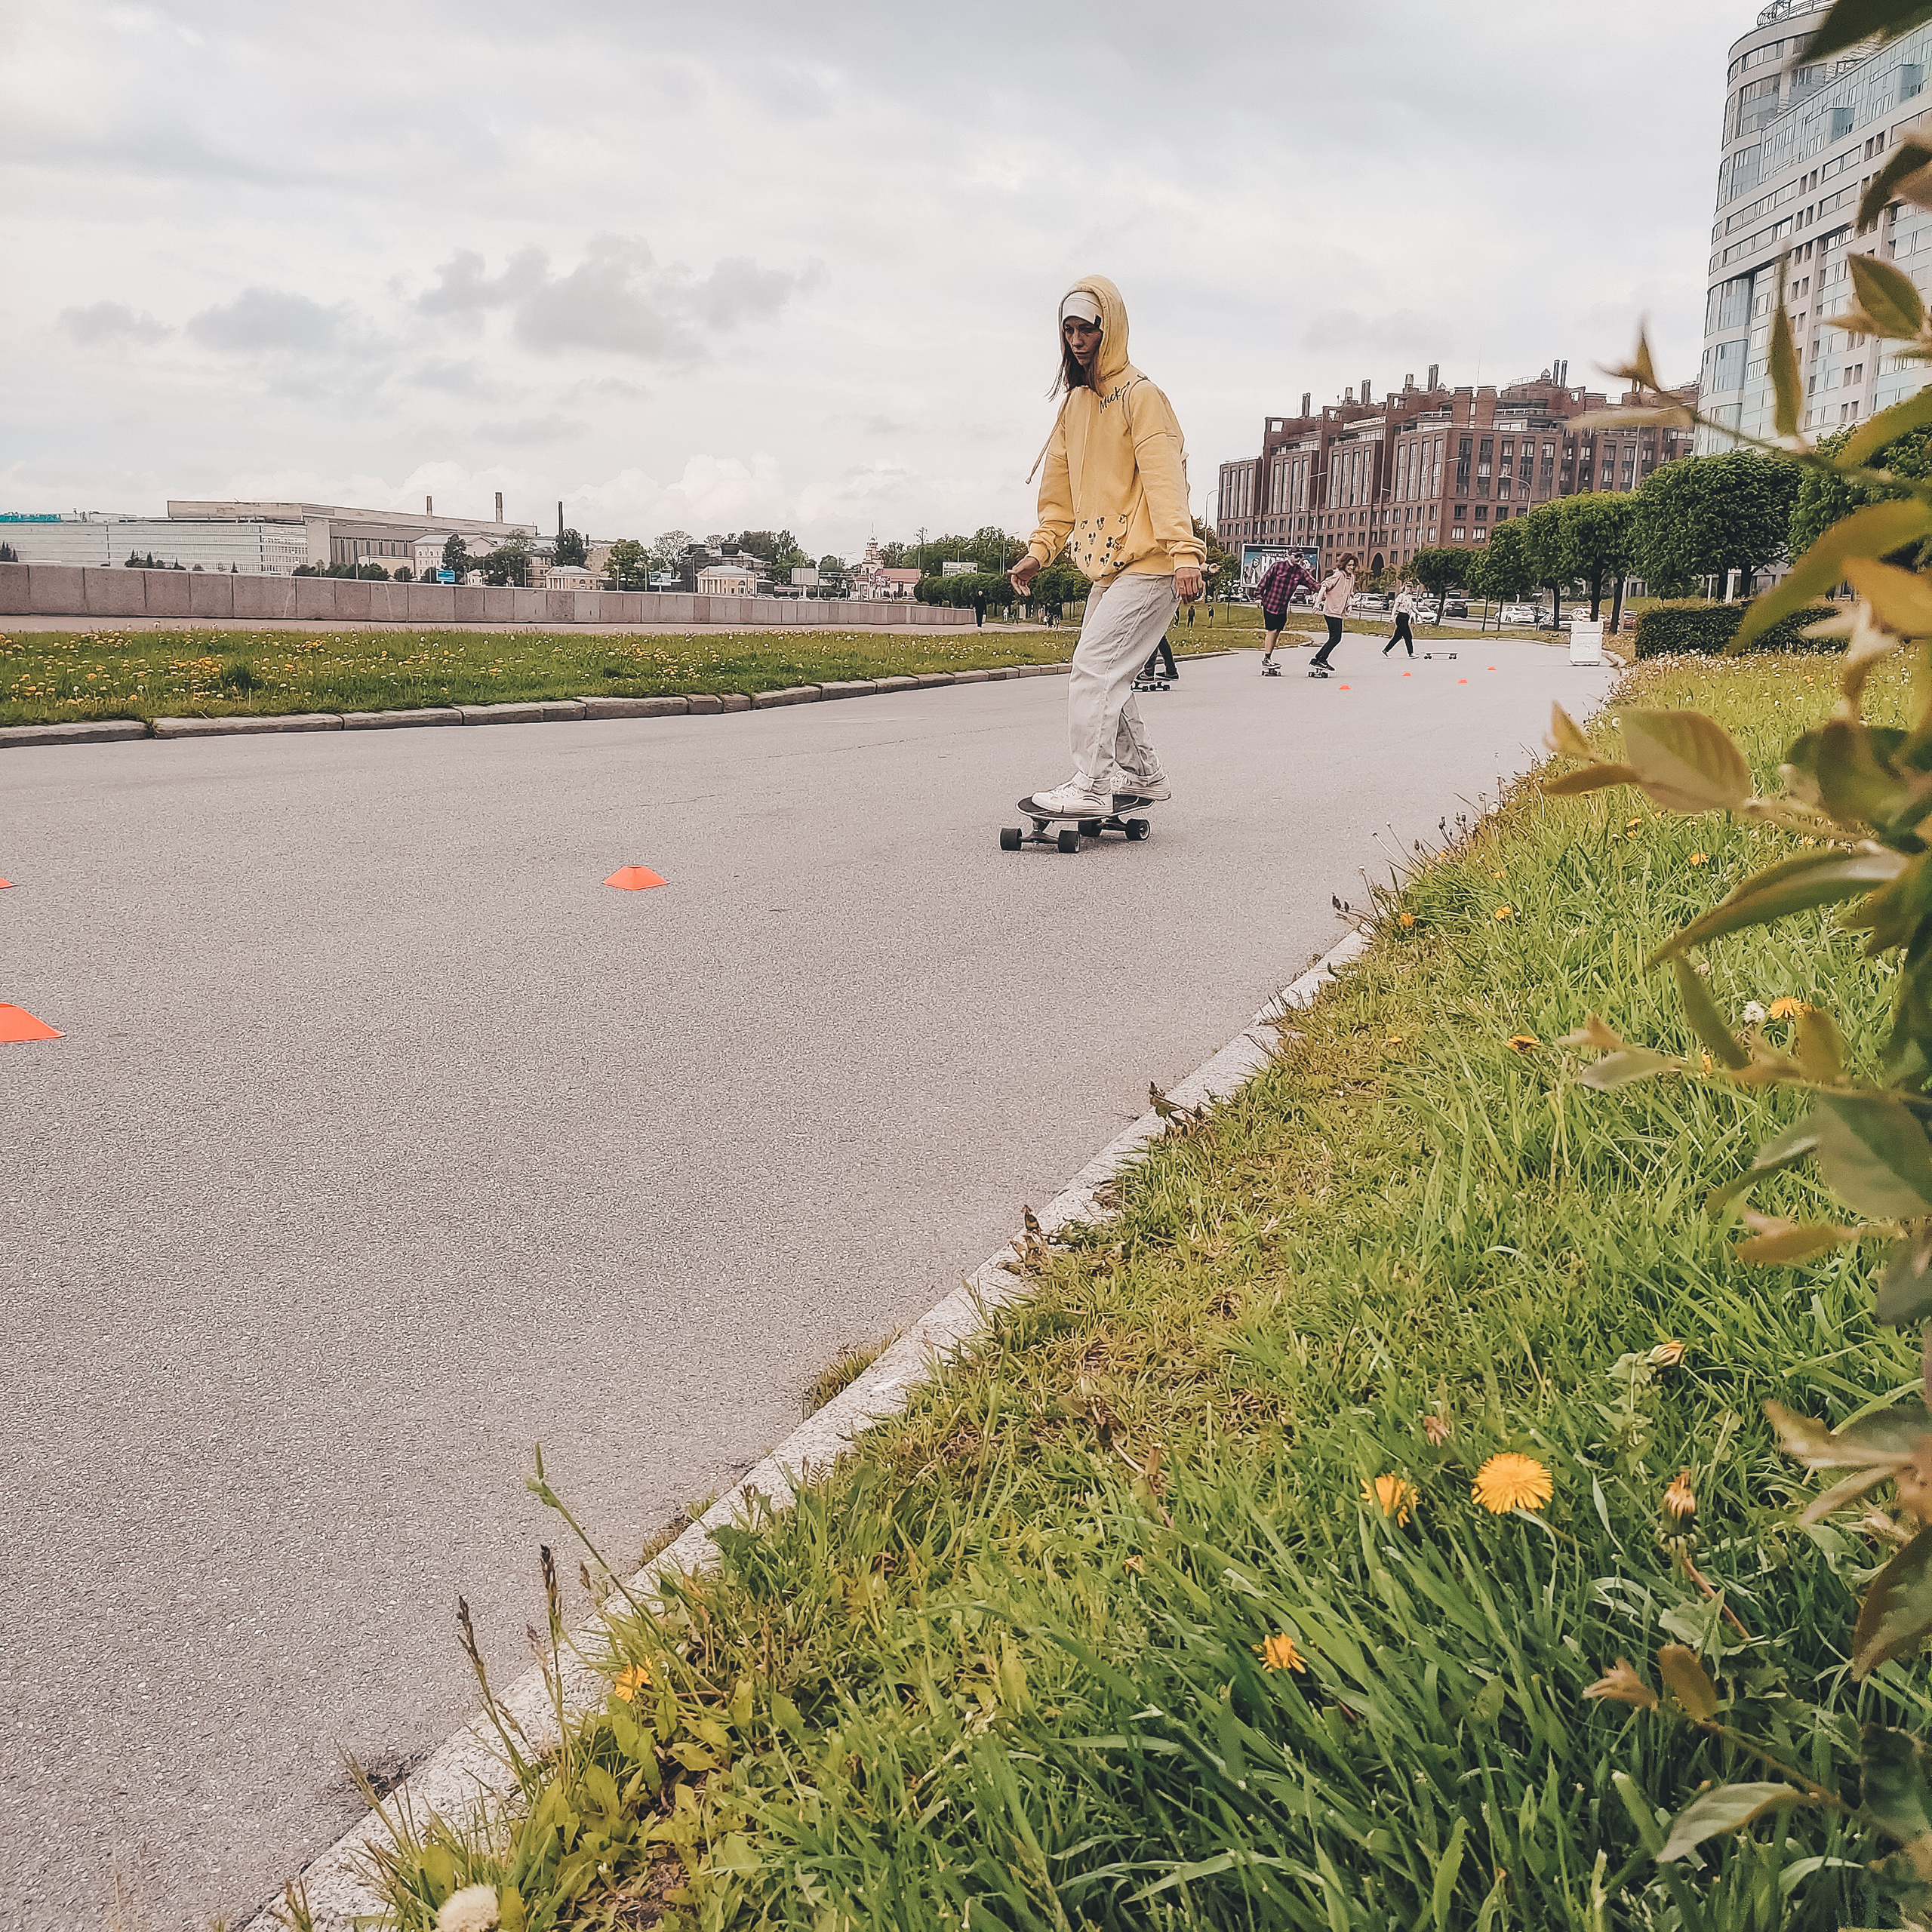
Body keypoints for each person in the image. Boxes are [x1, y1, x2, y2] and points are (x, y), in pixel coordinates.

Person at [1011, 277, 1204, 812]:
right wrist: (1040, 550)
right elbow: (1058, 494)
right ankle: (1141, 774)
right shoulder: (1073, 405)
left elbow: (1165, 480)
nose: (1076, 340)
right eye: (1068, 330)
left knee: (1094, 669)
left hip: (1156, 561)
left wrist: (1185, 555)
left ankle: (1092, 785)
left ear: (1109, 329)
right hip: (1111, 567)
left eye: (1087, 330)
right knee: (1106, 671)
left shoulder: (1142, 397)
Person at [1307, 553, 1358, 678]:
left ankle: (1318, 659)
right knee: (1336, 637)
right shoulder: (1339, 575)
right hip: (1331, 611)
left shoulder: (1351, 577)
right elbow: (1324, 586)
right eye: (1349, 565)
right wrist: (1317, 603)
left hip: (1339, 612)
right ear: (1344, 564)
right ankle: (1321, 659)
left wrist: (1350, 604)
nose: (1351, 567)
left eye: (1353, 565)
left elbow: (1349, 593)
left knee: (1335, 637)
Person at [1255, 555, 1303, 672]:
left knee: (1277, 631)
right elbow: (1265, 581)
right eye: (1296, 556)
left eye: (1301, 556)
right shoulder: (1278, 566)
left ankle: (1269, 657)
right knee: (1271, 630)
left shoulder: (1300, 572)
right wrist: (1258, 596)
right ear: (1289, 555)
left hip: (1282, 607)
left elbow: (1312, 583)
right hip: (1270, 603)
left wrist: (1326, 590)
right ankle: (1266, 659)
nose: (1299, 559)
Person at [1383, 584, 1418, 657]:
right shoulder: (1400, 596)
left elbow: (1412, 607)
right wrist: (1392, 616)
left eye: (1410, 589)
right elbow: (1395, 607)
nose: (1409, 590)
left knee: (1397, 637)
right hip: (1401, 617)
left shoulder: (1409, 598)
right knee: (1408, 636)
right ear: (1404, 588)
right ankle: (1411, 653)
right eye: (1407, 589)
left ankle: (1386, 650)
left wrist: (1419, 614)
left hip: (1406, 616)